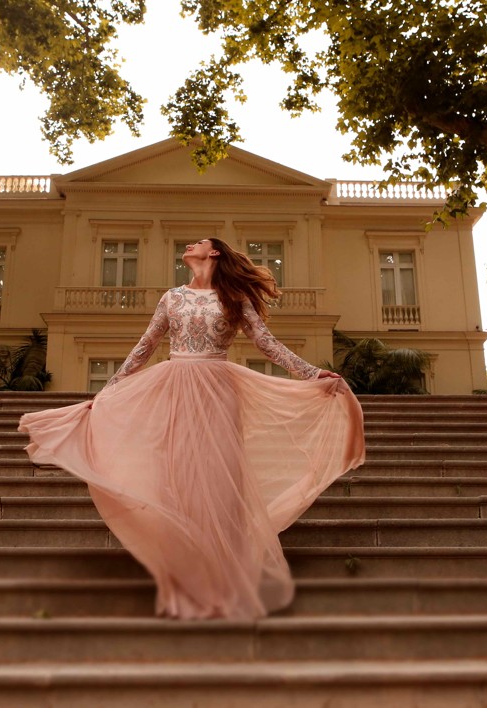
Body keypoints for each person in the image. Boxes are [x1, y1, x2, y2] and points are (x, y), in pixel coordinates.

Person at [18, 238, 365, 620]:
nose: (189, 245)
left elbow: (267, 344)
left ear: (214, 253)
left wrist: (312, 373)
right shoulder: (171, 297)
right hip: (176, 388)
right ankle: (189, 580)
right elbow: (145, 346)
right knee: (181, 479)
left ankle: (224, 581)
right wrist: (108, 391)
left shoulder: (234, 297)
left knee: (218, 480)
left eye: (198, 242)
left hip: (217, 390)